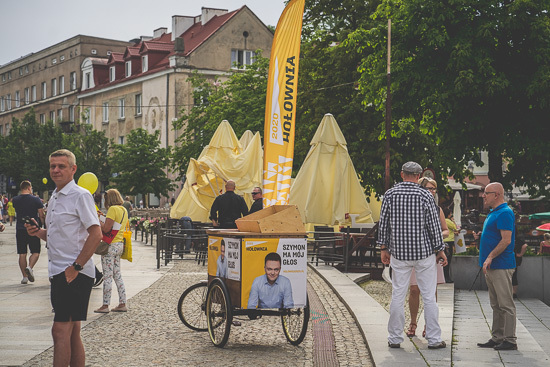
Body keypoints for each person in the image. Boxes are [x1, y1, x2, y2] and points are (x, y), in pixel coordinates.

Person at [25, 149, 102, 367]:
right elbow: (59, 234)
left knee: (59, 331)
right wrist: (38, 232)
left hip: (72, 273)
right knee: (72, 331)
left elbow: (96, 233)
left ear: (73, 169)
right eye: (53, 166)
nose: (56, 170)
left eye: (61, 166)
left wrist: (75, 267)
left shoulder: (80, 195)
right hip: (58, 271)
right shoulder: (55, 196)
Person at [378, 161, 447, 350]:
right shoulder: (425, 195)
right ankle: (433, 339)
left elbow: (383, 223)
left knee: (398, 295)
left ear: (402, 174)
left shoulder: (390, 194)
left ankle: (394, 338)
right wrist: (440, 249)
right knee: (429, 297)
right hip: (424, 253)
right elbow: (434, 227)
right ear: (418, 176)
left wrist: (384, 248)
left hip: (399, 253)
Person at [475, 182, 517, 351]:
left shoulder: (505, 213)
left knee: (506, 304)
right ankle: (498, 337)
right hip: (492, 266)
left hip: (501, 265)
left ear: (497, 194)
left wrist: (490, 256)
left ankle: (510, 340)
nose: (483, 196)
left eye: (487, 193)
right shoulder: (494, 213)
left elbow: (506, 240)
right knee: (496, 304)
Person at [406, 177, 448, 338]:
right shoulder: (411, 207)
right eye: (428, 188)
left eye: (433, 189)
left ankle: (429, 324)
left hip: (432, 252)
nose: (431, 191)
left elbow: (445, 230)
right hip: (414, 253)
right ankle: (413, 322)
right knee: (414, 289)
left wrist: (436, 237)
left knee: (431, 290)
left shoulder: (437, 209)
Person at [94, 189, 129, 314]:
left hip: (110, 246)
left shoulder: (113, 209)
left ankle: (105, 305)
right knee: (117, 275)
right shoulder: (123, 209)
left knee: (107, 276)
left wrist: (98, 221)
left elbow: (107, 228)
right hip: (119, 244)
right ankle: (122, 302)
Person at [13, 180, 45, 284]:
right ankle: (30, 267)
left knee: (22, 253)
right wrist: (43, 224)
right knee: (36, 252)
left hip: (20, 228)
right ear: (29, 188)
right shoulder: (35, 199)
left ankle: (24, 277)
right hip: (33, 229)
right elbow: (41, 214)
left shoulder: (15, 200)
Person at [443, 207, 458, 283]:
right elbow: (456, 227)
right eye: (450, 213)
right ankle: (446, 277)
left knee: (446, 260)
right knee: (447, 260)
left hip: (446, 242)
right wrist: (453, 220)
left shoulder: (443, 220)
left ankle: (446, 277)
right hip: (448, 242)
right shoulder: (447, 221)